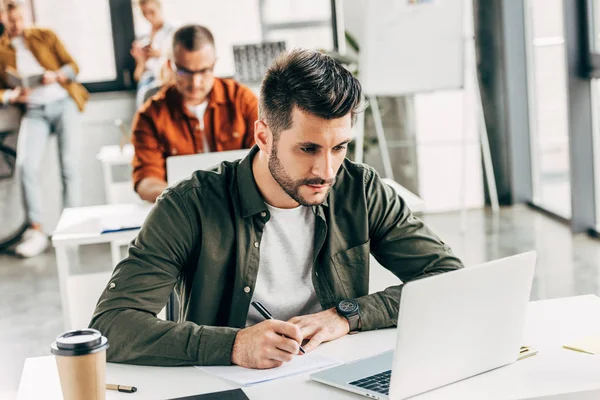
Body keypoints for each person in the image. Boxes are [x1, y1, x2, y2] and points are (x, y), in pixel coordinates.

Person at [90, 49, 463, 368]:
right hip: (233, 386)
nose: (327, 171)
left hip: (331, 375)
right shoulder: (189, 206)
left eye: (339, 147)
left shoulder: (360, 189)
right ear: (264, 137)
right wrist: (234, 346)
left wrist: (347, 316)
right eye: (308, 149)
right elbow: (111, 324)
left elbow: (449, 278)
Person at [131, 24, 258, 203]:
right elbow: (146, 182)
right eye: (184, 71)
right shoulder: (150, 116)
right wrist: (193, 199)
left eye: (204, 71)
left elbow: (265, 160)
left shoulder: (243, 100)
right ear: (170, 65)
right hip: (182, 212)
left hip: (240, 205)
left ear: (214, 64)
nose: (195, 82)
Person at [0, 1, 88, 258]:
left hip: (63, 104)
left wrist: (57, 75)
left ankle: (73, 228)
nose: (17, 25)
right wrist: (11, 96)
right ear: (3, 18)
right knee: (26, 166)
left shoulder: (45, 35)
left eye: (20, 19)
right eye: (11, 20)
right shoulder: (2, 50)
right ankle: (36, 230)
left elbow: (73, 67)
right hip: (33, 112)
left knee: (69, 165)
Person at [131, 0, 175, 107]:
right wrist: (140, 61)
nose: (148, 17)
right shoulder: (143, 38)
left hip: (163, 82)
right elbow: (137, 77)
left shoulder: (173, 33)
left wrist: (160, 54)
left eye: (152, 12)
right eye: (144, 13)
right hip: (145, 83)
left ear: (159, 8)